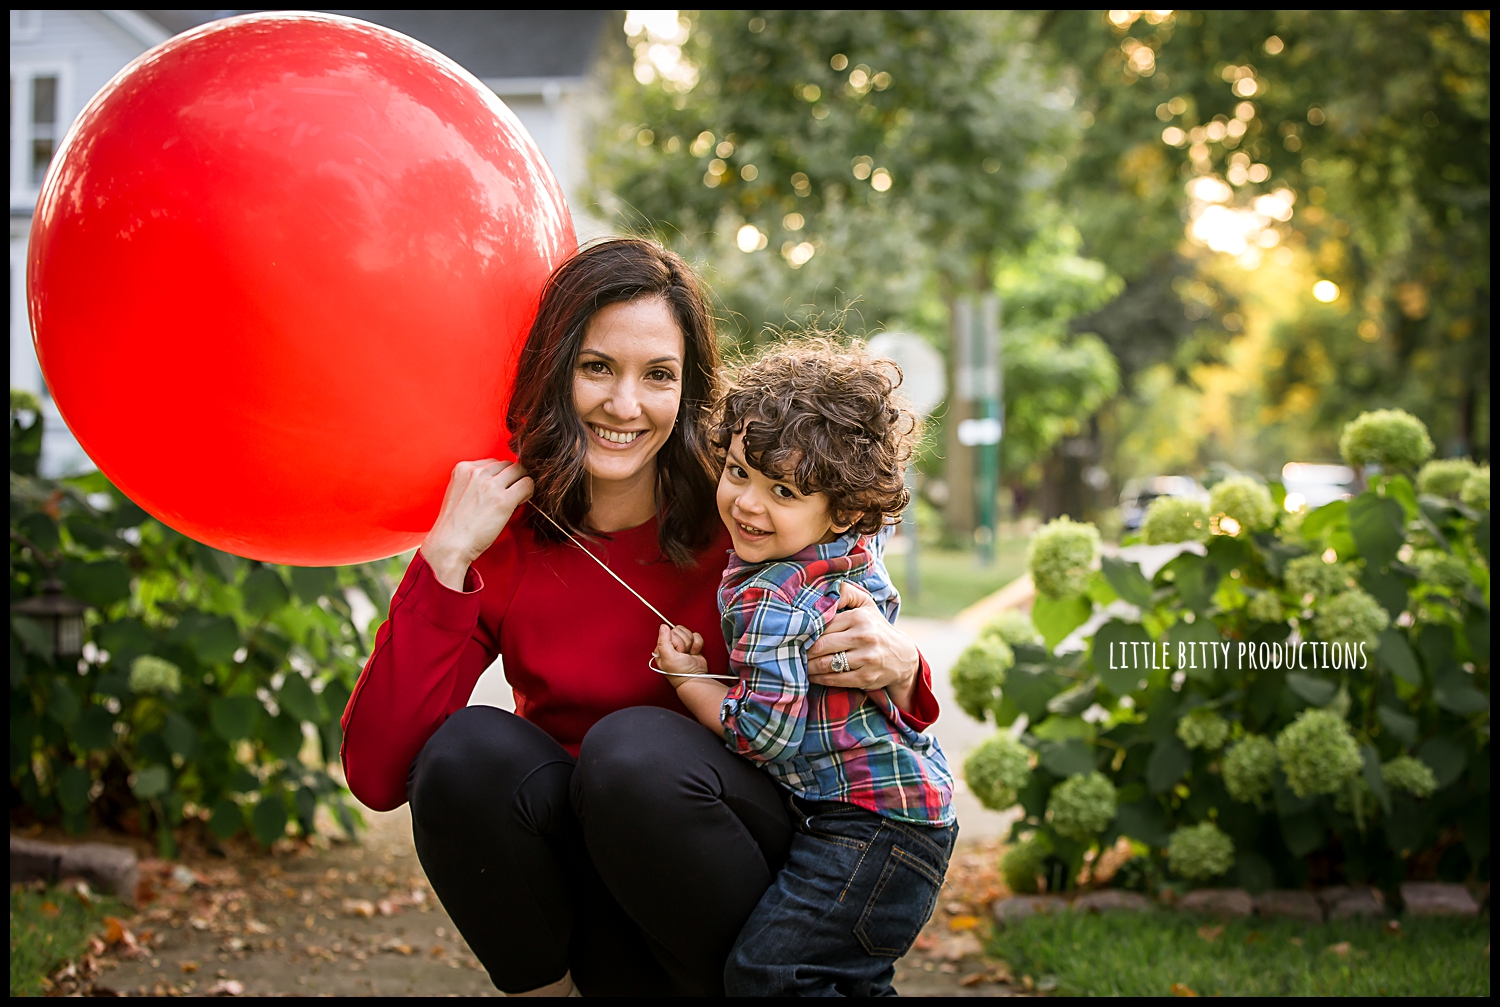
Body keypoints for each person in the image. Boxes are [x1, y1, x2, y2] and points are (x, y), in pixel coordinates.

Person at [338, 239, 944, 997]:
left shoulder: (749, 516)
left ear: (689, 389)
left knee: (633, 752)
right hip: (589, 894)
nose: (624, 406)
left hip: (742, 883)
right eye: (597, 367)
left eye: (657, 375)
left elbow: (879, 696)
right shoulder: (506, 538)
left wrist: (902, 661)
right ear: (556, 370)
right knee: (465, 753)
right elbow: (377, 772)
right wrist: (445, 558)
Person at [653, 340, 956, 996]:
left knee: (775, 974)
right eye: (738, 472)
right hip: (907, 814)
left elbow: (762, 733)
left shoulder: (772, 594)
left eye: (783, 490)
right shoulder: (849, 539)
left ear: (842, 506)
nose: (748, 505)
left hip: (869, 824)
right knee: (841, 979)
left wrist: (687, 680)